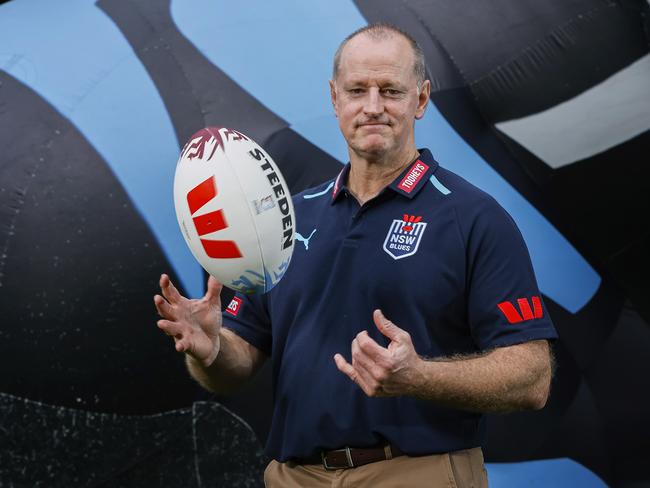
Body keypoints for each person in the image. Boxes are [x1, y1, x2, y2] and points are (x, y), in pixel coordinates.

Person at [154, 23, 557, 487]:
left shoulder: (473, 218)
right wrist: (212, 350)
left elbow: (533, 377)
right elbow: (238, 363)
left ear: (420, 99)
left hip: (415, 473)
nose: (372, 107)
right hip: (294, 477)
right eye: (357, 90)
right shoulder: (289, 220)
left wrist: (418, 375)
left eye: (390, 91)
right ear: (334, 98)